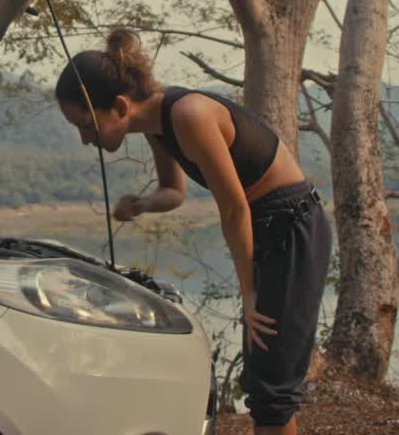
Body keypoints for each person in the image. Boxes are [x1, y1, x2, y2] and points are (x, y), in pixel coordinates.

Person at [55, 28, 332, 435]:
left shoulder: (188, 115)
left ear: (118, 105)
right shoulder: (154, 124)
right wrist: (142, 203)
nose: (84, 140)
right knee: (266, 380)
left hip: (290, 223)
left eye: (87, 125)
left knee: (270, 388)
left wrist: (249, 291)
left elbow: (235, 206)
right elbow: (174, 193)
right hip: (268, 224)